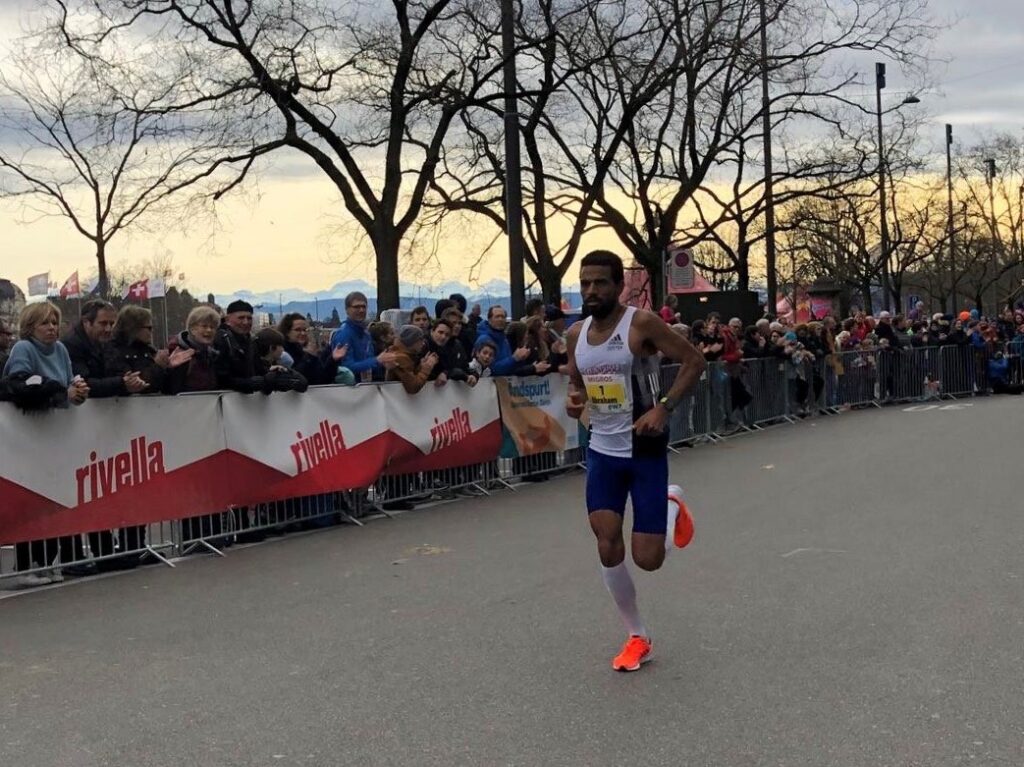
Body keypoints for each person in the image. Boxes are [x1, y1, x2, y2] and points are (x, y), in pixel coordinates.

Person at [565, 250, 705, 672]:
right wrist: (576, 402)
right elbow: (577, 384)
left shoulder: (640, 324)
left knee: (648, 558)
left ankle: (669, 503)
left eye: (600, 283)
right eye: (585, 283)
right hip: (603, 449)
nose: (591, 291)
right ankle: (636, 635)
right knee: (605, 538)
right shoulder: (575, 334)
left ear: (618, 285)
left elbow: (694, 361)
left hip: (643, 448)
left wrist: (662, 407)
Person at [3, 302, 88, 586]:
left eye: (54, 322)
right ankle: (28, 565)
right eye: (44, 323)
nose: (52, 328)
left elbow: (68, 379)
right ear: (31, 327)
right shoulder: (23, 350)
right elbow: (23, 385)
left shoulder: (61, 350)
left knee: (57, 497)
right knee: (33, 498)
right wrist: (59, 392)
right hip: (30, 434)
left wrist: (78, 390)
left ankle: (55, 561)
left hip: (58, 436)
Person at [63, 299, 149, 397]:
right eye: (103, 324)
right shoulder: (72, 345)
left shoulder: (105, 342)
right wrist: (121, 383)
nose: (108, 329)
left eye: (112, 324)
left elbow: (117, 370)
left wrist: (132, 381)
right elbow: (84, 384)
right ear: (86, 322)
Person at [106, 305, 193, 392]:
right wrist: (157, 366)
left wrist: (172, 368)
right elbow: (139, 385)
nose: (152, 331)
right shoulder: (114, 350)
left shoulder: (149, 350)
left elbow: (168, 387)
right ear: (134, 328)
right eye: (149, 328)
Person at [330, 291, 397, 382]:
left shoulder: (366, 334)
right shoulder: (343, 334)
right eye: (356, 307)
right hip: (349, 390)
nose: (361, 310)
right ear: (347, 310)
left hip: (367, 387)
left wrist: (384, 364)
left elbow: (368, 361)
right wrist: (377, 360)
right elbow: (346, 368)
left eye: (363, 307)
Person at [164, 306, 221, 394]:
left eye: (212, 327)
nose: (209, 330)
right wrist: (168, 368)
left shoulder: (213, 355)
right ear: (192, 329)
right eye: (204, 326)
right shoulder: (176, 352)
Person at [277, 312, 346, 385]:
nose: (303, 333)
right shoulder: (281, 353)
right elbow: (295, 377)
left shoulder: (308, 352)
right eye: (297, 330)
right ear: (287, 332)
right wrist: (308, 358)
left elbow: (323, 379)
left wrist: (333, 360)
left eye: (305, 330)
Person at [475, 305, 531, 375]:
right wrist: (514, 358)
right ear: (489, 320)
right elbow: (490, 369)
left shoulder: (504, 340)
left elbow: (510, 367)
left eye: (503, 317)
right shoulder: (484, 340)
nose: (500, 319)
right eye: (497, 317)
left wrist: (521, 359)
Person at [386, 325, 439, 394]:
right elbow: (413, 387)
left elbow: (409, 376)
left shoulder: (402, 355)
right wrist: (427, 368)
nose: (423, 343)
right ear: (412, 341)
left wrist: (421, 366)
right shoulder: (401, 358)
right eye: (420, 340)